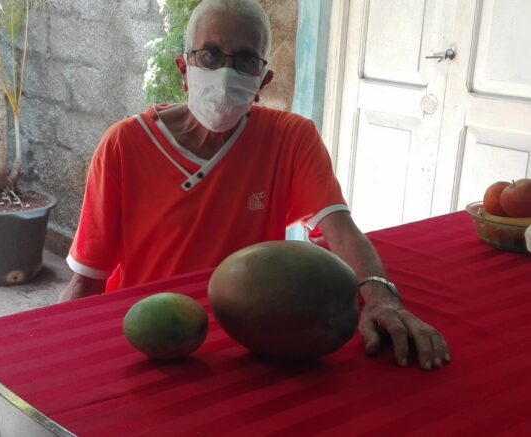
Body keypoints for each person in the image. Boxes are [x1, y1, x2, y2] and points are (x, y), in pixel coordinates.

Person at [61, 0, 450, 371]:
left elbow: (340, 230)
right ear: (183, 68)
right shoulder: (124, 144)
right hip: (150, 338)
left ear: (262, 80)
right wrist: (56, 352)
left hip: (247, 341)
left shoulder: (290, 137)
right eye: (210, 54)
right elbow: (88, 278)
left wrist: (381, 298)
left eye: (245, 60)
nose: (226, 72)